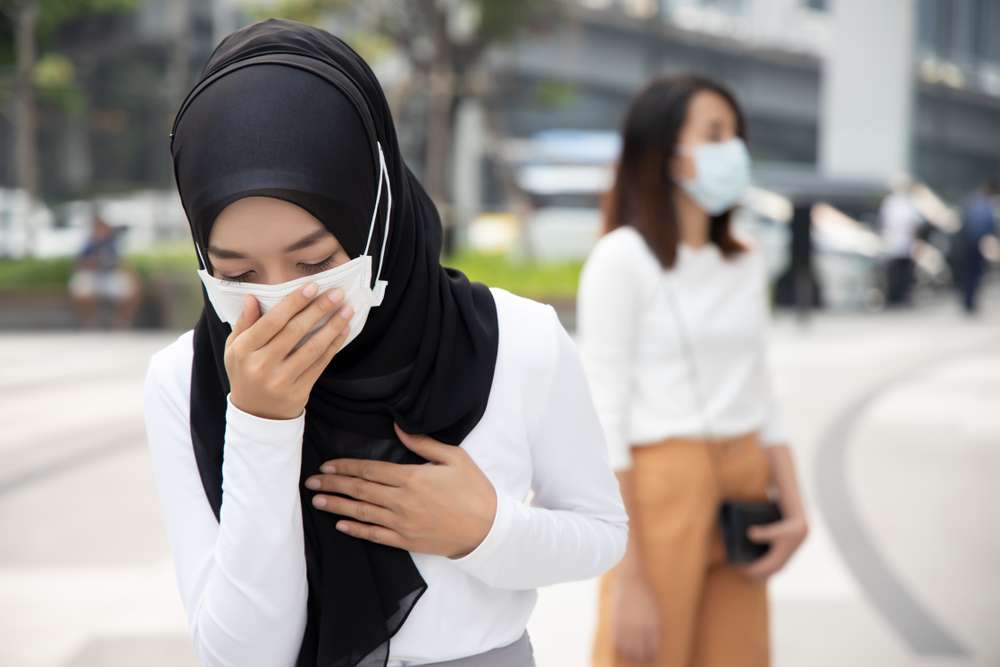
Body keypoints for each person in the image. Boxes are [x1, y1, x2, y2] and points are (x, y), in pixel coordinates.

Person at [142, 19, 626, 667]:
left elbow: (601, 533)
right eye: (237, 273)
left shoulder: (518, 340)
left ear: (378, 212)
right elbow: (242, 654)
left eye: (314, 262)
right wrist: (262, 423)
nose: (284, 300)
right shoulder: (185, 378)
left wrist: (485, 529)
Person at [578, 75, 809, 667]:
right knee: (644, 652)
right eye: (714, 133)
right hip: (660, 492)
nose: (732, 149)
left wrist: (796, 505)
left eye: (735, 134)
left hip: (746, 483)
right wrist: (627, 577)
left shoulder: (745, 258)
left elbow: (762, 389)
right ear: (665, 152)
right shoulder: (621, 260)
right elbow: (605, 415)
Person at [68, 214, 141, 328]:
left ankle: (122, 321)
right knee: (81, 288)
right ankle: (89, 321)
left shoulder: (112, 243)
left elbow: (122, 262)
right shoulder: (88, 243)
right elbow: (78, 264)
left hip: (111, 275)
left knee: (131, 289)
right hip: (91, 276)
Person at [878, 174, 925, 307]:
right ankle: (898, 298)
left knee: (897, 275)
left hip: (898, 245)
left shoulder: (892, 203)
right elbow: (916, 226)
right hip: (900, 245)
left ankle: (896, 298)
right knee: (900, 275)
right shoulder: (906, 203)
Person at [957, 178, 997, 314]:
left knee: (969, 274)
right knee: (975, 274)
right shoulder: (985, 206)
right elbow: (989, 227)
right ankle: (970, 302)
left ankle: (968, 302)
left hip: (968, 243)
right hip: (977, 244)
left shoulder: (971, 203)